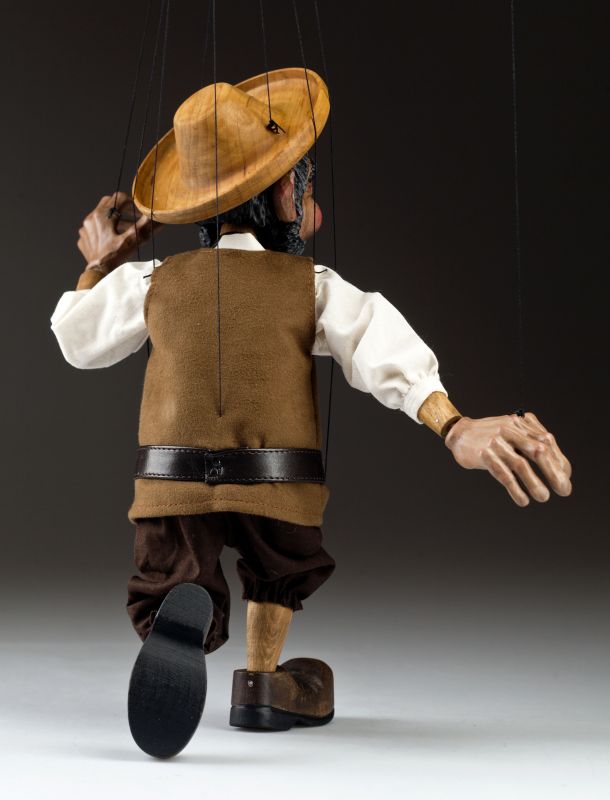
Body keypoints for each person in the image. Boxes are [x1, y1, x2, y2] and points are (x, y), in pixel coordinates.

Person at [50, 68, 572, 757]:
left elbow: (77, 341)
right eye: (304, 187)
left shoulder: (154, 280)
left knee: (170, 557)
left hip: (171, 480)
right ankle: (261, 683)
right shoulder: (311, 285)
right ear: (279, 195)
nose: (311, 205)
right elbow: (378, 342)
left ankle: (179, 607)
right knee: (280, 566)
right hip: (279, 479)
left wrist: (100, 264)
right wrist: (453, 423)